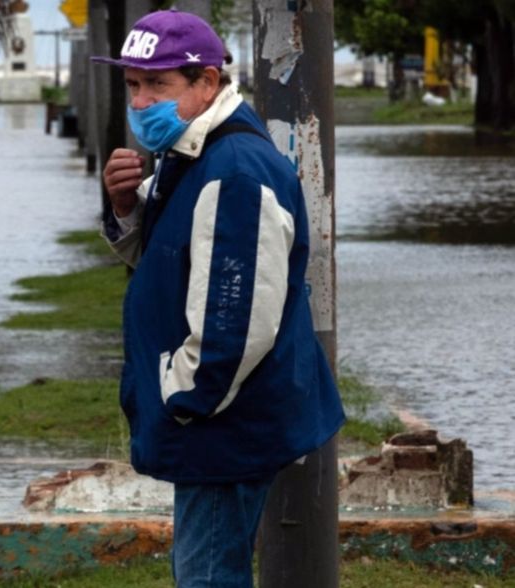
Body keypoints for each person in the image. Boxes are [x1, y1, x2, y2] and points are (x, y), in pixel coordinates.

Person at [92, 10, 344, 587]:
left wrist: (183, 397)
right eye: (133, 84)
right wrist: (127, 209)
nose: (139, 101)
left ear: (206, 82)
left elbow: (236, 320)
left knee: (207, 576)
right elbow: (169, 262)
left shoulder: (232, 171)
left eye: (158, 84)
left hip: (220, 423)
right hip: (213, 419)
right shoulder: (190, 154)